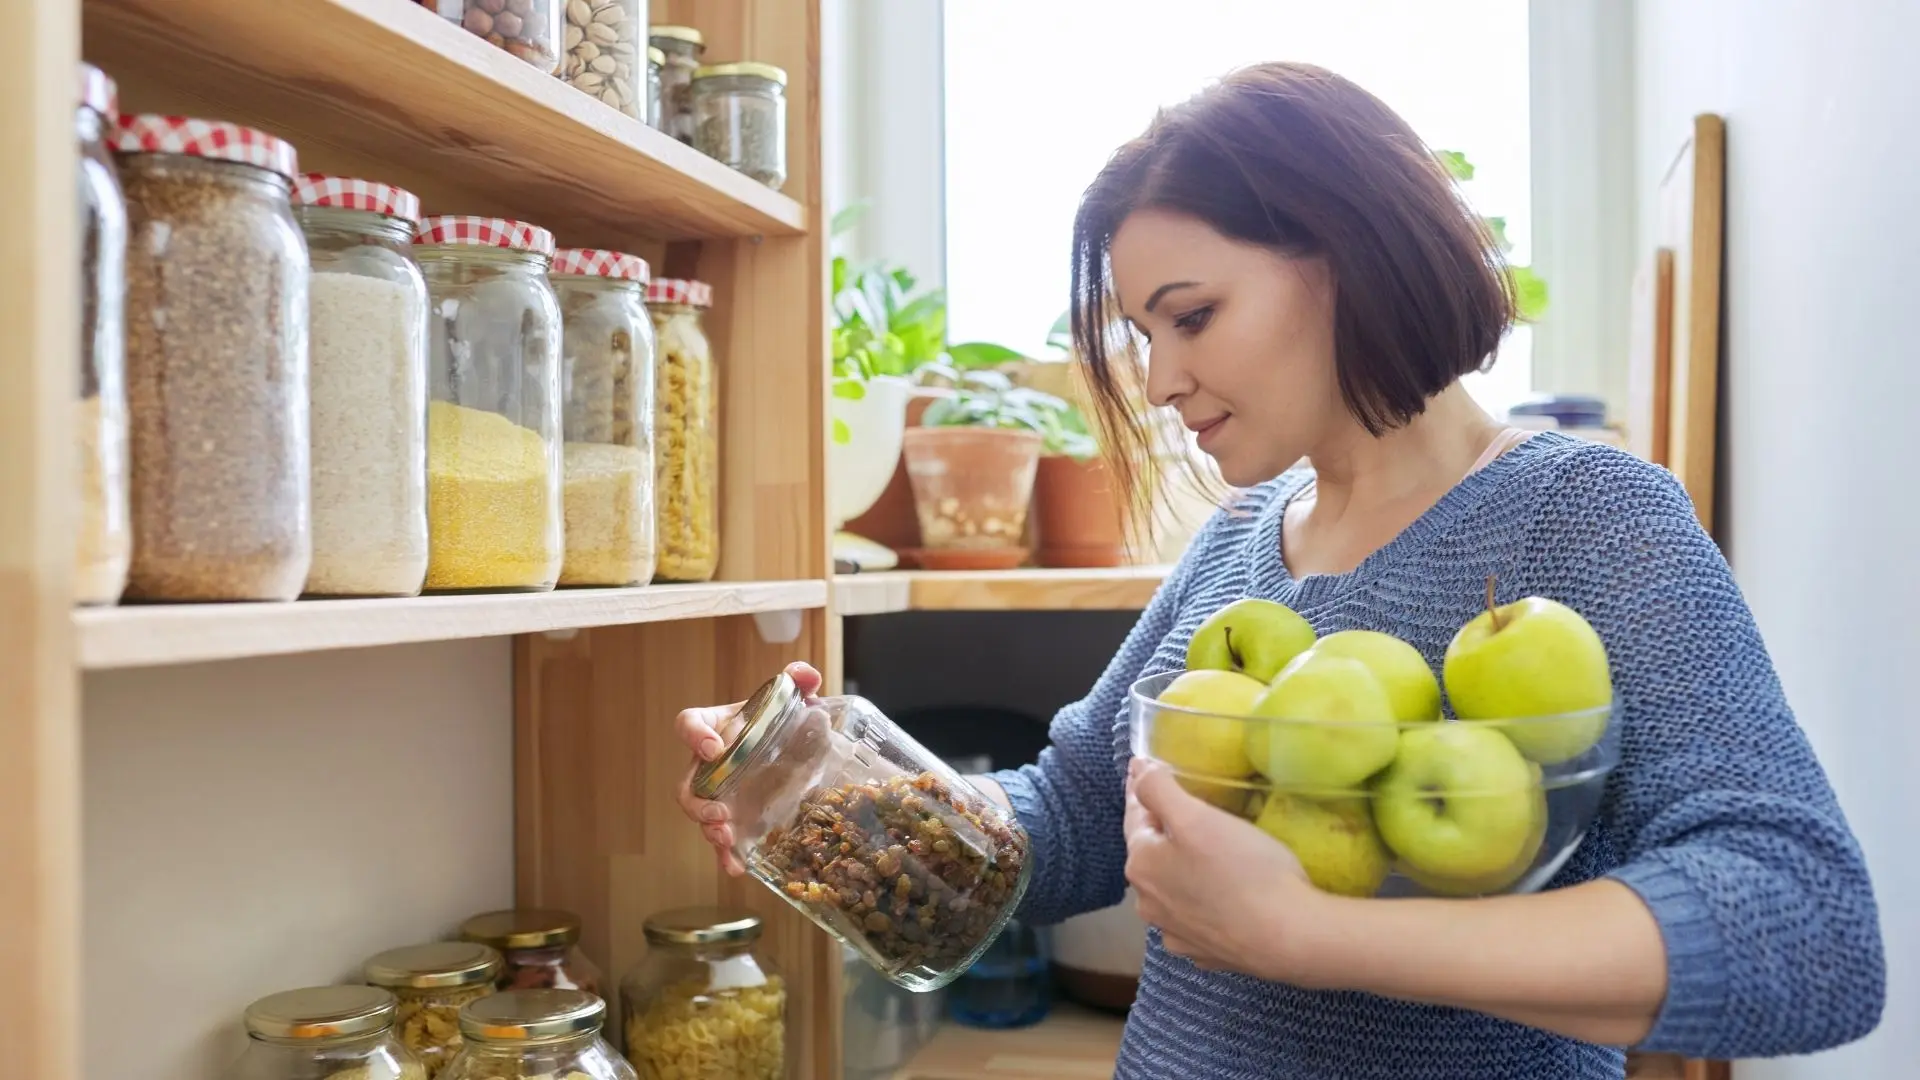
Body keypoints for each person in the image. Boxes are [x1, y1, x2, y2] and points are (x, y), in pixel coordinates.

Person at [673, 62, 1885, 1079]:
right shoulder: (1243, 538)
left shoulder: (1588, 515)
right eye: (1142, 335)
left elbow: (1810, 931)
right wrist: (839, 792)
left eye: (1190, 316)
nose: (1155, 381)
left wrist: (1314, 934)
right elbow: (1083, 817)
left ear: (1347, 253)